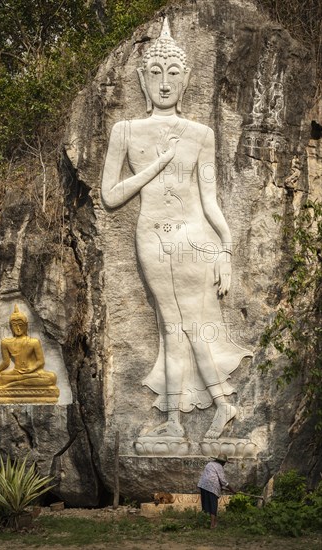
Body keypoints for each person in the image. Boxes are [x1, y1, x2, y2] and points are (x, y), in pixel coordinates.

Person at [101, 18, 251, 442]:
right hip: (150, 238)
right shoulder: (125, 131)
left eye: (172, 75)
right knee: (171, 325)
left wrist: (225, 249)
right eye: (155, 74)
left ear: (185, 79)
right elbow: (110, 196)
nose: (164, 85)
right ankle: (186, 417)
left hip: (193, 237)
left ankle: (203, 410)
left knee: (192, 323)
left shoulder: (200, 134)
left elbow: (210, 199)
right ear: (142, 79)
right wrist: (156, 165)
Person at [0, 305, 59, 403]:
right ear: (11, 327)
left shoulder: (34, 342)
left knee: (51, 378)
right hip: (16, 372)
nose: (18, 328)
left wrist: (30, 370)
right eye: (14, 325)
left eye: (20, 325)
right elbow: (6, 362)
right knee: (1, 378)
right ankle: (17, 382)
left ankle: (13, 384)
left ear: (26, 326)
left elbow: (41, 362)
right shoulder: (6, 343)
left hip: (32, 372)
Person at [197, 454, 235, 529]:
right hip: (212, 487)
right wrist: (232, 490)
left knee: (206, 504)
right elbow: (223, 481)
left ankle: (204, 522)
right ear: (222, 462)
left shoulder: (209, 464)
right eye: (224, 463)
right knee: (213, 505)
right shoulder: (219, 466)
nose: (224, 464)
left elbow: (211, 476)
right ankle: (212, 525)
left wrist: (220, 487)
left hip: (203, 485)